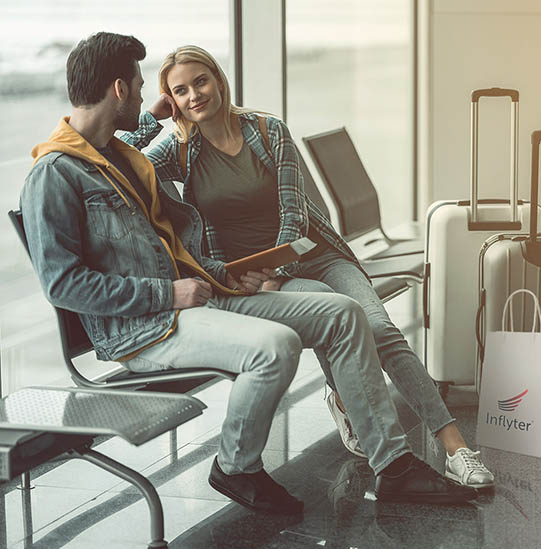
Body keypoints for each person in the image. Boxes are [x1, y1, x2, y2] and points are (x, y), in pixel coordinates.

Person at [20, 32, 479, 514]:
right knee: (275, 346)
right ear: (118, 89)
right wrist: (169, 293)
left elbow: (164, 224)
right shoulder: (55, 173)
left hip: (208, 291)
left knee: (345, 316)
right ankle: (236, 466)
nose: (145, 99)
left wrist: (223, 274)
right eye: (137, 88)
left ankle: (395, 465)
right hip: (150, 324)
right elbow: (63, 285)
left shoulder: (121, 158)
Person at [122, 45, 494, 489]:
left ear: (219, 80)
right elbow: (115, 158)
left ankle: (455, 448)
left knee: (381, 330)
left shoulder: (266, 130)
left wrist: (277, 266)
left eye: (200, 82)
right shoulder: (179, 150)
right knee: (342, 319)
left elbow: (294, 211)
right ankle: (356, 408)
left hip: (312, 255)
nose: (194, 96)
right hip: (254, 276)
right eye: (180, 91)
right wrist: (153, 115)